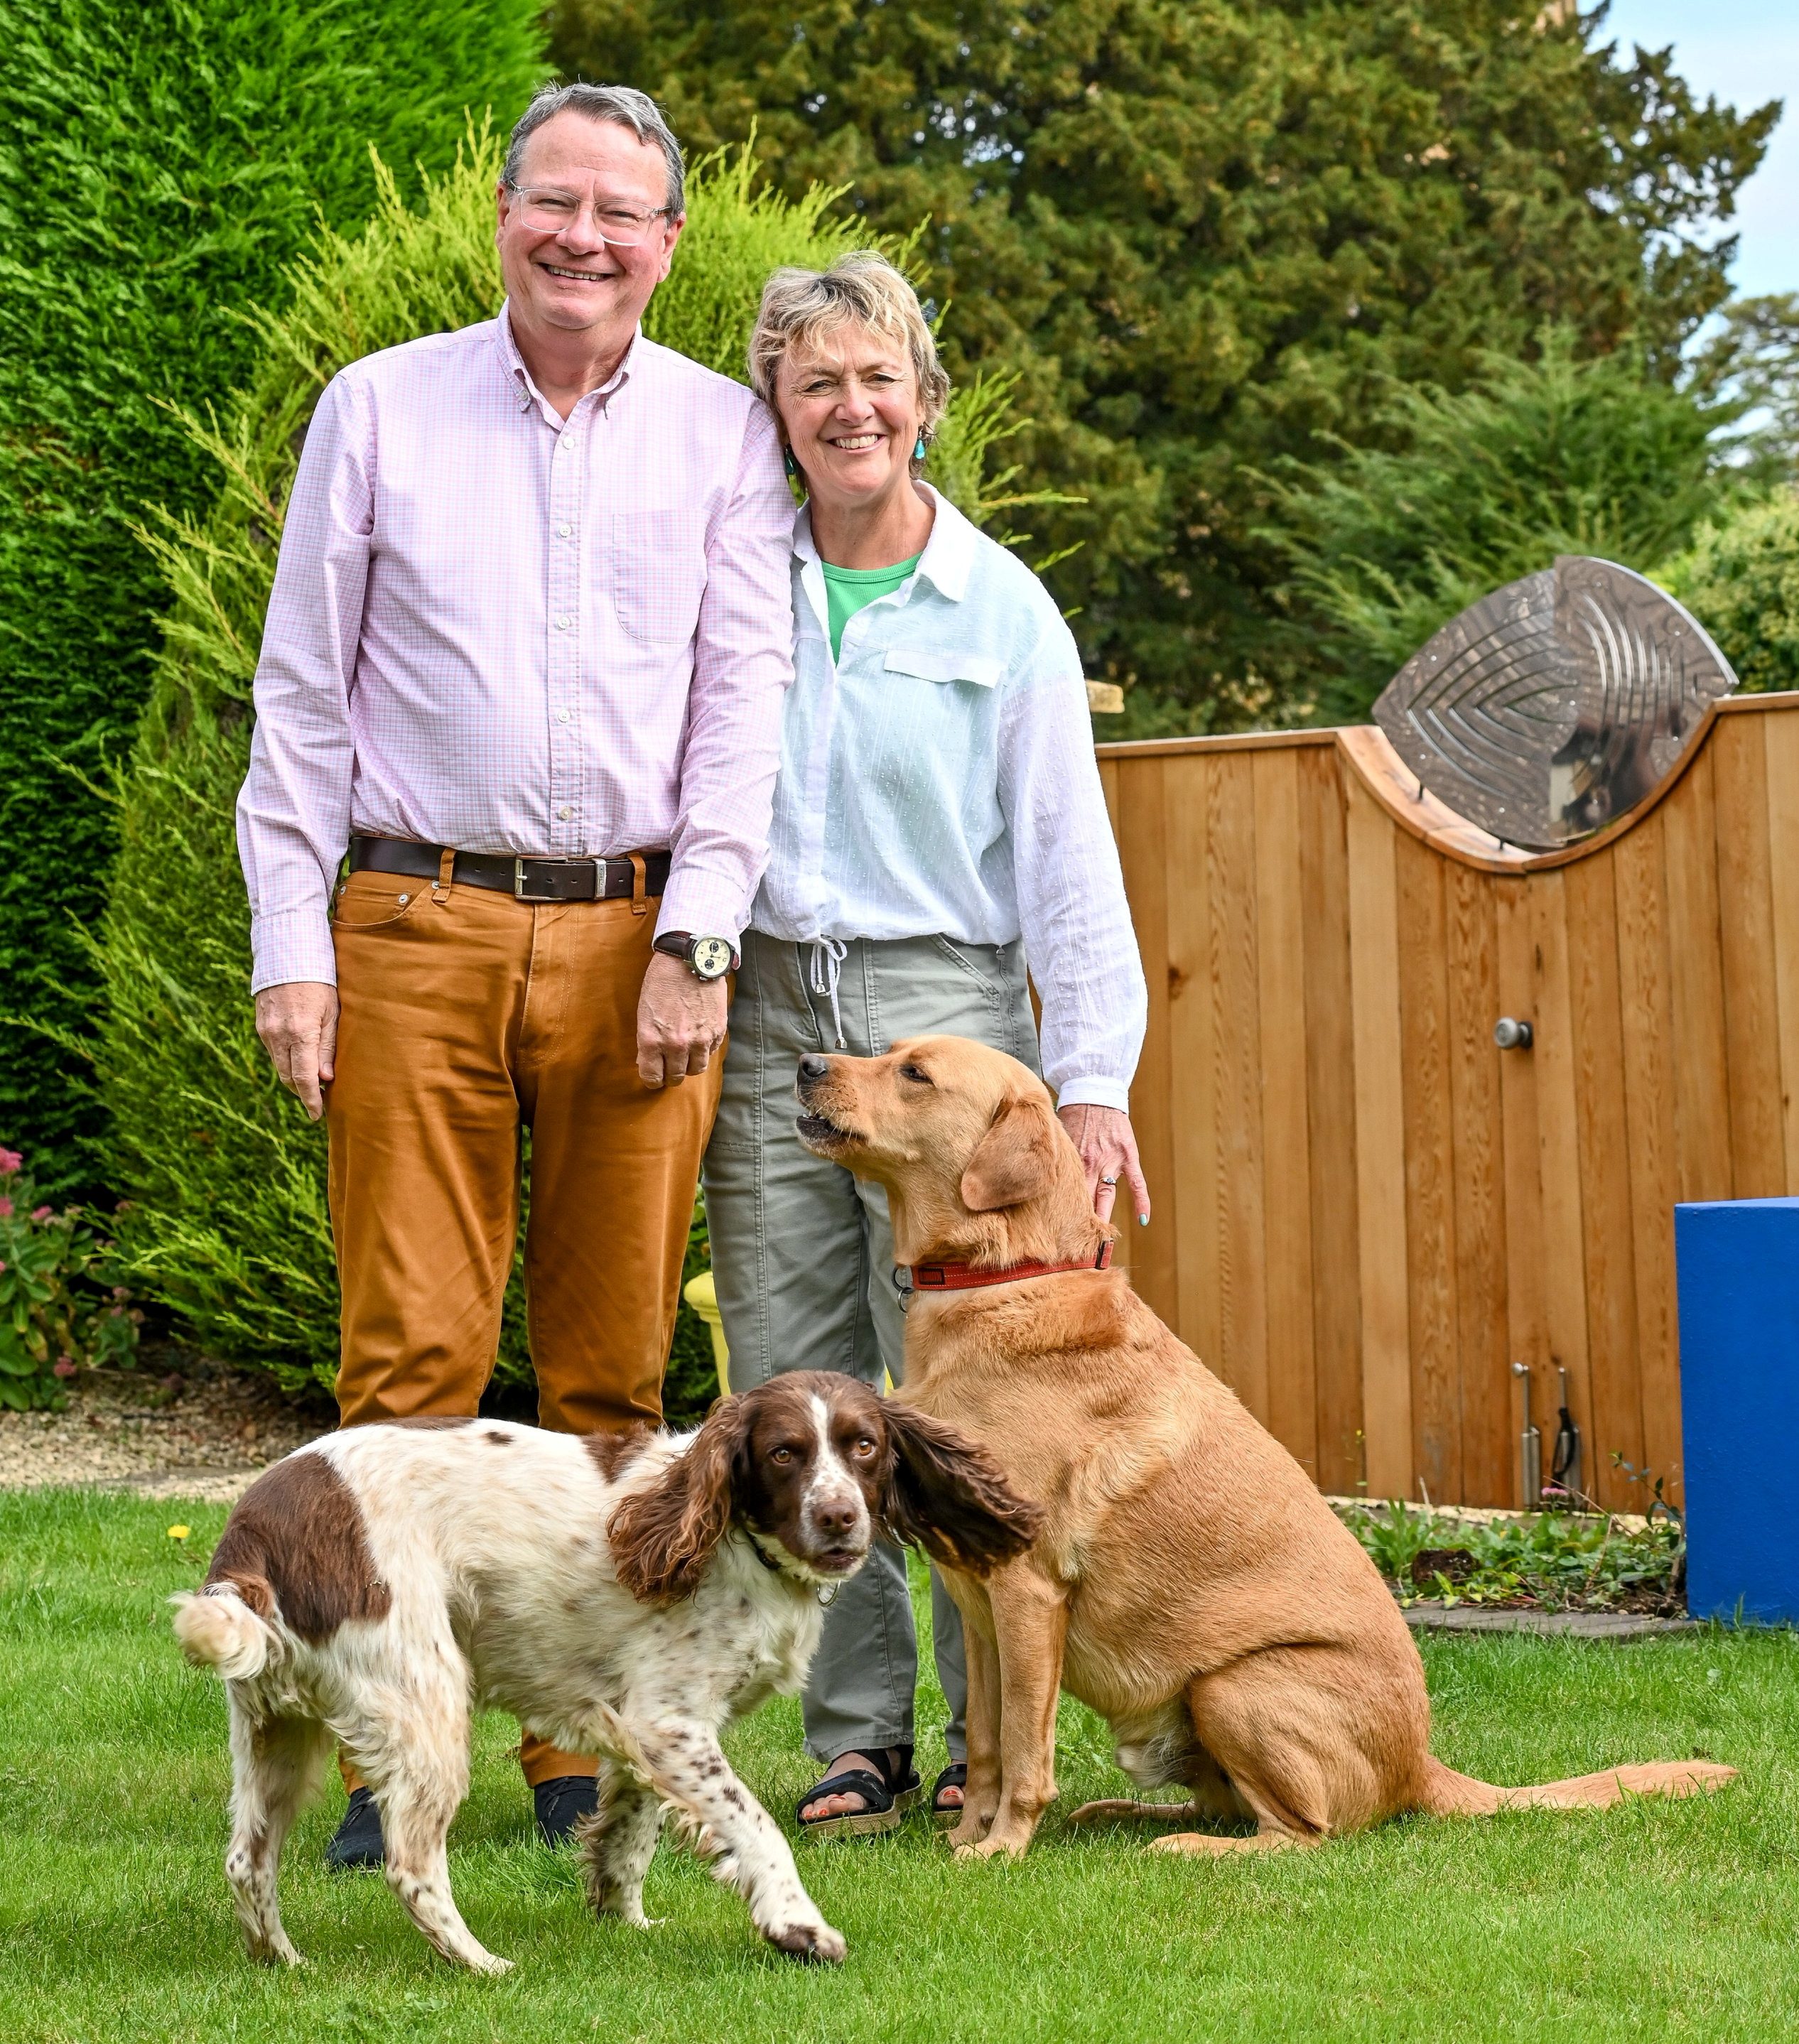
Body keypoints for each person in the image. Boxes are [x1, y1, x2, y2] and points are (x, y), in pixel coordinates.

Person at [234, 82, 794, 1867]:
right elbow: (303, 697)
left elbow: (741, 711)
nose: (586, 238)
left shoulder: (722, 434)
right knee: (406, 1365)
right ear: (504, 213)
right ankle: (397, 1751)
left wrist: (703, 934)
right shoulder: (380, 407)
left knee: (616, 1374)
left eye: (622, 214)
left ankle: (576, 1744)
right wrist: (289, 947)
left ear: (669, 243)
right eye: (556, 202)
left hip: (643, 934)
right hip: (412, 919)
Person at [703, 253, 1149, 1837]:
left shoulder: (998, 604)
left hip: (941, 1016)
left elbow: (1067, 852)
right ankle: (855, 1737)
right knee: (793, 1375)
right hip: (770, 1008)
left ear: (924, 400)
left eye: (878, 377)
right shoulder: (735, 577)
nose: (851, 406)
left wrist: (1090, 1077)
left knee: (966, 1406)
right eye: (817, 380)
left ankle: (990, 1738)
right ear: (777, 405)